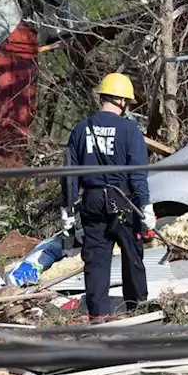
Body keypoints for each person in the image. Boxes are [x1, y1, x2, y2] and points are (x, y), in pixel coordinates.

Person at [62, 73, 156, 318]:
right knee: (132, 258)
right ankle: (138, 314)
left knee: (96, 263)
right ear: (123, 101)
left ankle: (99, 320)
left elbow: (70, 175)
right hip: (123, 201)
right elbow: (137, 174)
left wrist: (68, 211)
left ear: (103, 96)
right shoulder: (129, 130)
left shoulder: (81, 129)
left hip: (91, 202)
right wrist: (146, 207)